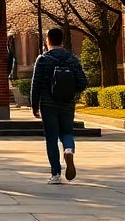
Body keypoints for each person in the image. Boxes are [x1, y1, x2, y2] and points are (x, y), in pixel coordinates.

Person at [31, 27, 88, 184]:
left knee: (51, 137)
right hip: (67, 103)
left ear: (48, 40)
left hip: (48, 103)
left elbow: (36, 84)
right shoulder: (72, 58)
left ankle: (56, 174)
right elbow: (83, 82)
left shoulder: (43, 59)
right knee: (67, 132)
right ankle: (68, 150)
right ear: (62, 40)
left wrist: (34, 105)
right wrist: (70, 91)